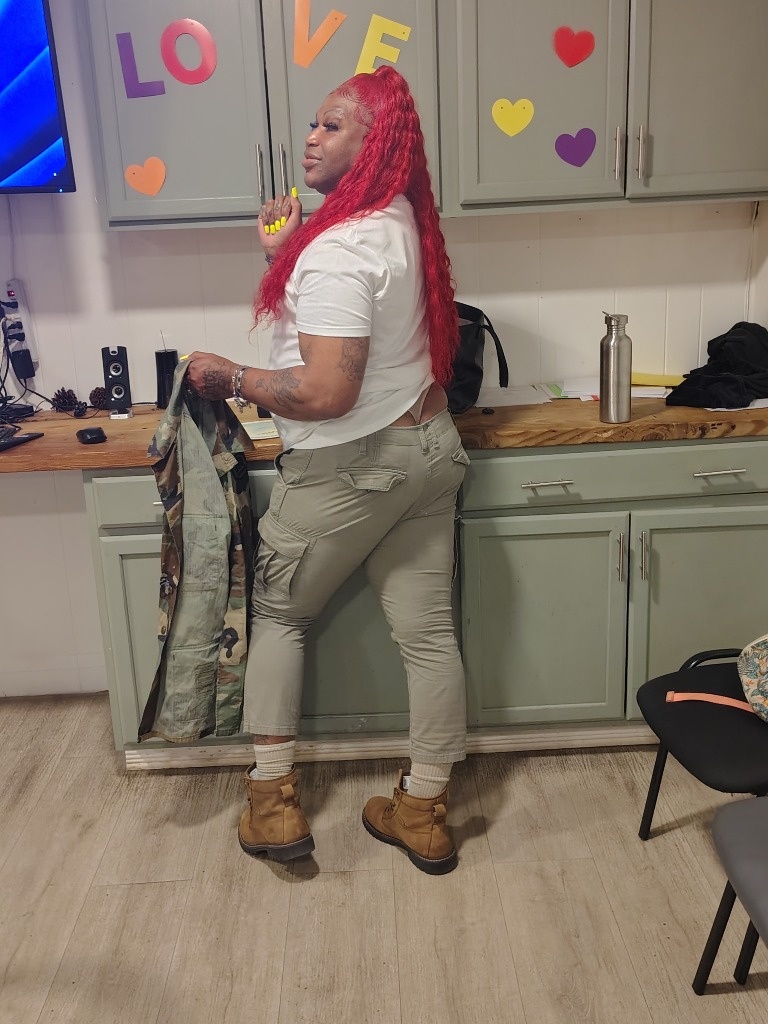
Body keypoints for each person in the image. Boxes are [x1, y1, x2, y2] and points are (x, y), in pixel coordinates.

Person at [184, 65, 468, 875]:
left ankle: (272, 803)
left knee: (278, 613)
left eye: (332, 125)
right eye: (312, 122)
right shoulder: (398, 219)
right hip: (429, 449)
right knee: (429, 636)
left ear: (373, 144)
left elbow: (325, 392)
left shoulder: (339, 252)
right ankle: (423, 810)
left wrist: (229, 376)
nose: (310, 138)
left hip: (353, 467)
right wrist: (286, 250)